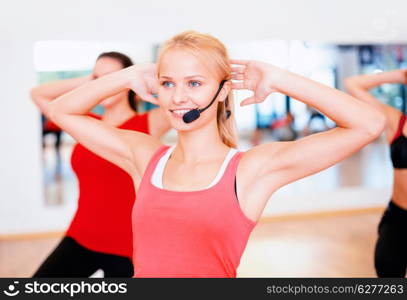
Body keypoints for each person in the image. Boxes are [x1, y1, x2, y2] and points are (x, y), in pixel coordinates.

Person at [47, 31, 385, 278]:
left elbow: (368, 124)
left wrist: (280, 78)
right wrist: (126, 76)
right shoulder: (145, 156)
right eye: (167, 83)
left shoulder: (250, 170)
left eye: (194, 83)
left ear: (222, 91)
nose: (178, 97)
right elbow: (63, 111)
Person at [30, 51, 170, 277]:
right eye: (98, 78)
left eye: (111, 77)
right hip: (81, 236)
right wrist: (93, 81)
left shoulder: (150, 122)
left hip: (128, 246)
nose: (103, 82)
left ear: (127, 80)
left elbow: (185, 99)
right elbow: (38, 94)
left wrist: (139, 77)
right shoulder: (84, 123)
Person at [345, 70, 407, 277]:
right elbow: (353, 84)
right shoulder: (396, 121)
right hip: (397, 216)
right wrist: (399, 75)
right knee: (387, 272)